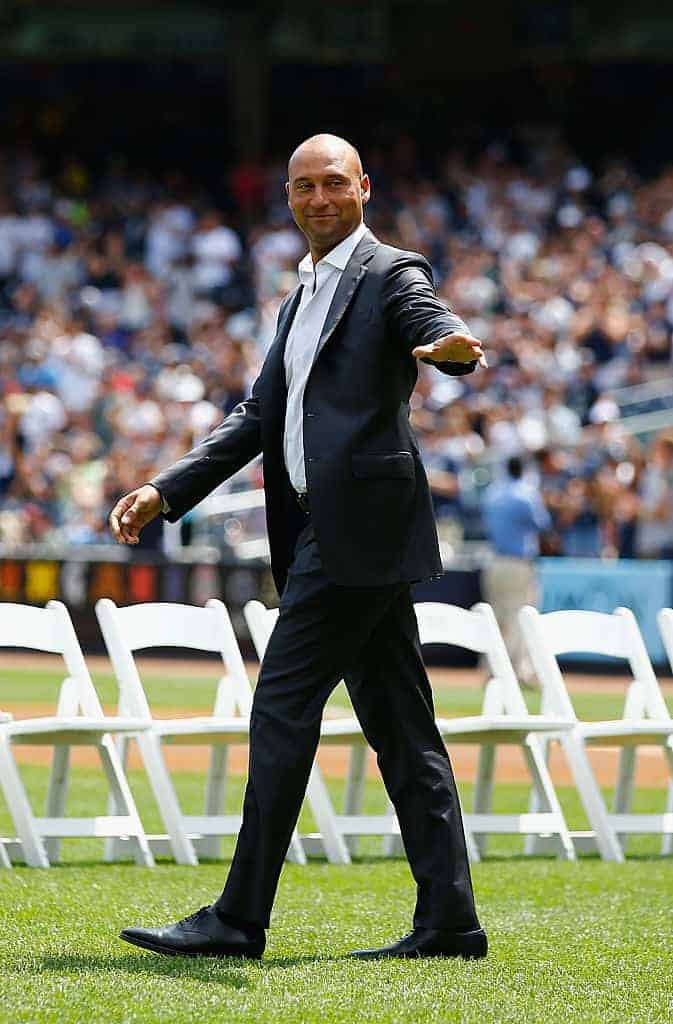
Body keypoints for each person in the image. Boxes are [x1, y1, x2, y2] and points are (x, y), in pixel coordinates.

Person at [109, 134, 488, 962]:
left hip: (355, 536)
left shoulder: (389, 272)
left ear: (363, 187)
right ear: (287, 198)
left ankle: (239, 918)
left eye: (333, 184)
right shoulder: (300, 295)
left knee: (281, 707)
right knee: (402, 729)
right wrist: (167, 488)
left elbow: (431, 318)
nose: (318, 199)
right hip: (341, 536)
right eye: (302, 187)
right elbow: (256, 416)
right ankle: (451, 922)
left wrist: (451, 347)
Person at [482, 455, 551, 685]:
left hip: (494, 561)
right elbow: (543, 524)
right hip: (518, 563)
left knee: (497, 618)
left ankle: (492, 668)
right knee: (520, 616)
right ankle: (514, 671)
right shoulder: (526, 494)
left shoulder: (492, 494)